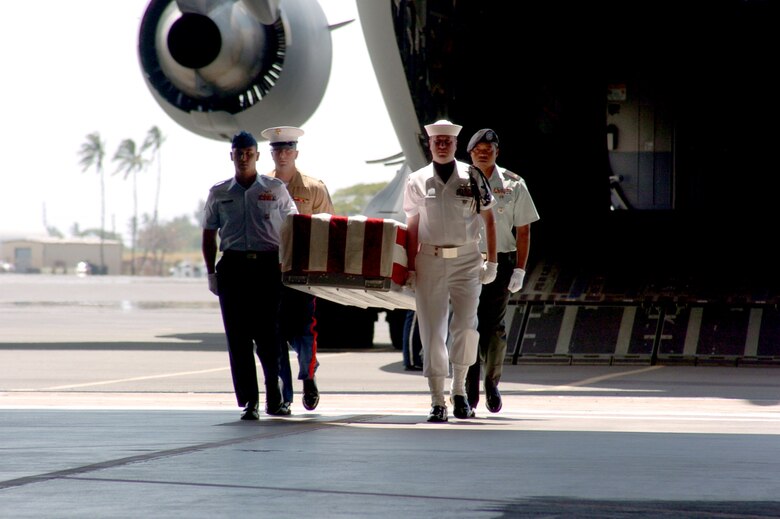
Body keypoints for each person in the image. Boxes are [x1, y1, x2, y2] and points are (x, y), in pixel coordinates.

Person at [403, 119, 498, 422]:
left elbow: (489, 220)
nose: (442, 145)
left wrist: (492, 262)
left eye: (448, 141)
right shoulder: (416, 180)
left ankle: (459, 392)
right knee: (432, 332)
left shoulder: (473, 176)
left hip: (467, 260)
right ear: (430, 145)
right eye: (437, 141)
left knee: (466, 328)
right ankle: (436, 400)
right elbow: (412, 226)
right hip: (429, 260)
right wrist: (409, 267)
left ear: (456, 144)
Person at [201, 130, 298, 420]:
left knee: (269, 337)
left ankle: (274, 396)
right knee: (238, 338)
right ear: (231, 156)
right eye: (238, 153)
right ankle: (249, 401)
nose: (243, 158)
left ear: (257, 155)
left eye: (248, 153)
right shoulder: (219, 192)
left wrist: (290, 264)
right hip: (233, 268)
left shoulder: (275, 188)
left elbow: (294, 225)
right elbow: (208, 234)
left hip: (267, 267)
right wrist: (210, 273)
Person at [465, 128, 540, 413]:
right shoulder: (459, 181)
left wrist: (520, 269)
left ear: (497, 152)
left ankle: (491, 382)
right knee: (466, 324)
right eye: (478, 150)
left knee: (493, 326)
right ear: (470, 153)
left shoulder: (513, 184)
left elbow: (523, 230)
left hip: (503, 261)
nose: (483, 154)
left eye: (489, 150)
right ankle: (467, 387)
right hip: (466, 261)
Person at [261, 125, 335, 412]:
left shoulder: (314, 188)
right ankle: (284, 394)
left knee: (305, 331)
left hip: (303, 271)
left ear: (296, 153)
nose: (283, 154)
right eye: (278, 149)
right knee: (274, 333)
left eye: (288, 149)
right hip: (271, 270)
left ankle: (309, 376)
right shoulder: (262, 186)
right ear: (271, 153)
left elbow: (328, 229)